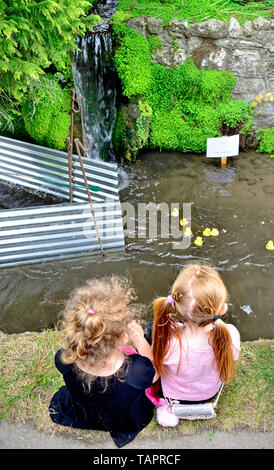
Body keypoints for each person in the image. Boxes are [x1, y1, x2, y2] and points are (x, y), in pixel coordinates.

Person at [49, 276, 158, 448]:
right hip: (125, 418)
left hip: (89, 411)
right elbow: (155, 375)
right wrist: (140, 341)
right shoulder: (137, 370)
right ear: (124, 338)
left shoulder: (64, 359)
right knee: (150, 331)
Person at [151, 264, 241, 427]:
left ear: (174, 306)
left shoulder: (167, 341)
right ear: (222, 308)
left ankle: (168, 410)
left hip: (173, 396)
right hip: (208, 394)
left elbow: (155, 365)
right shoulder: (230, 335)